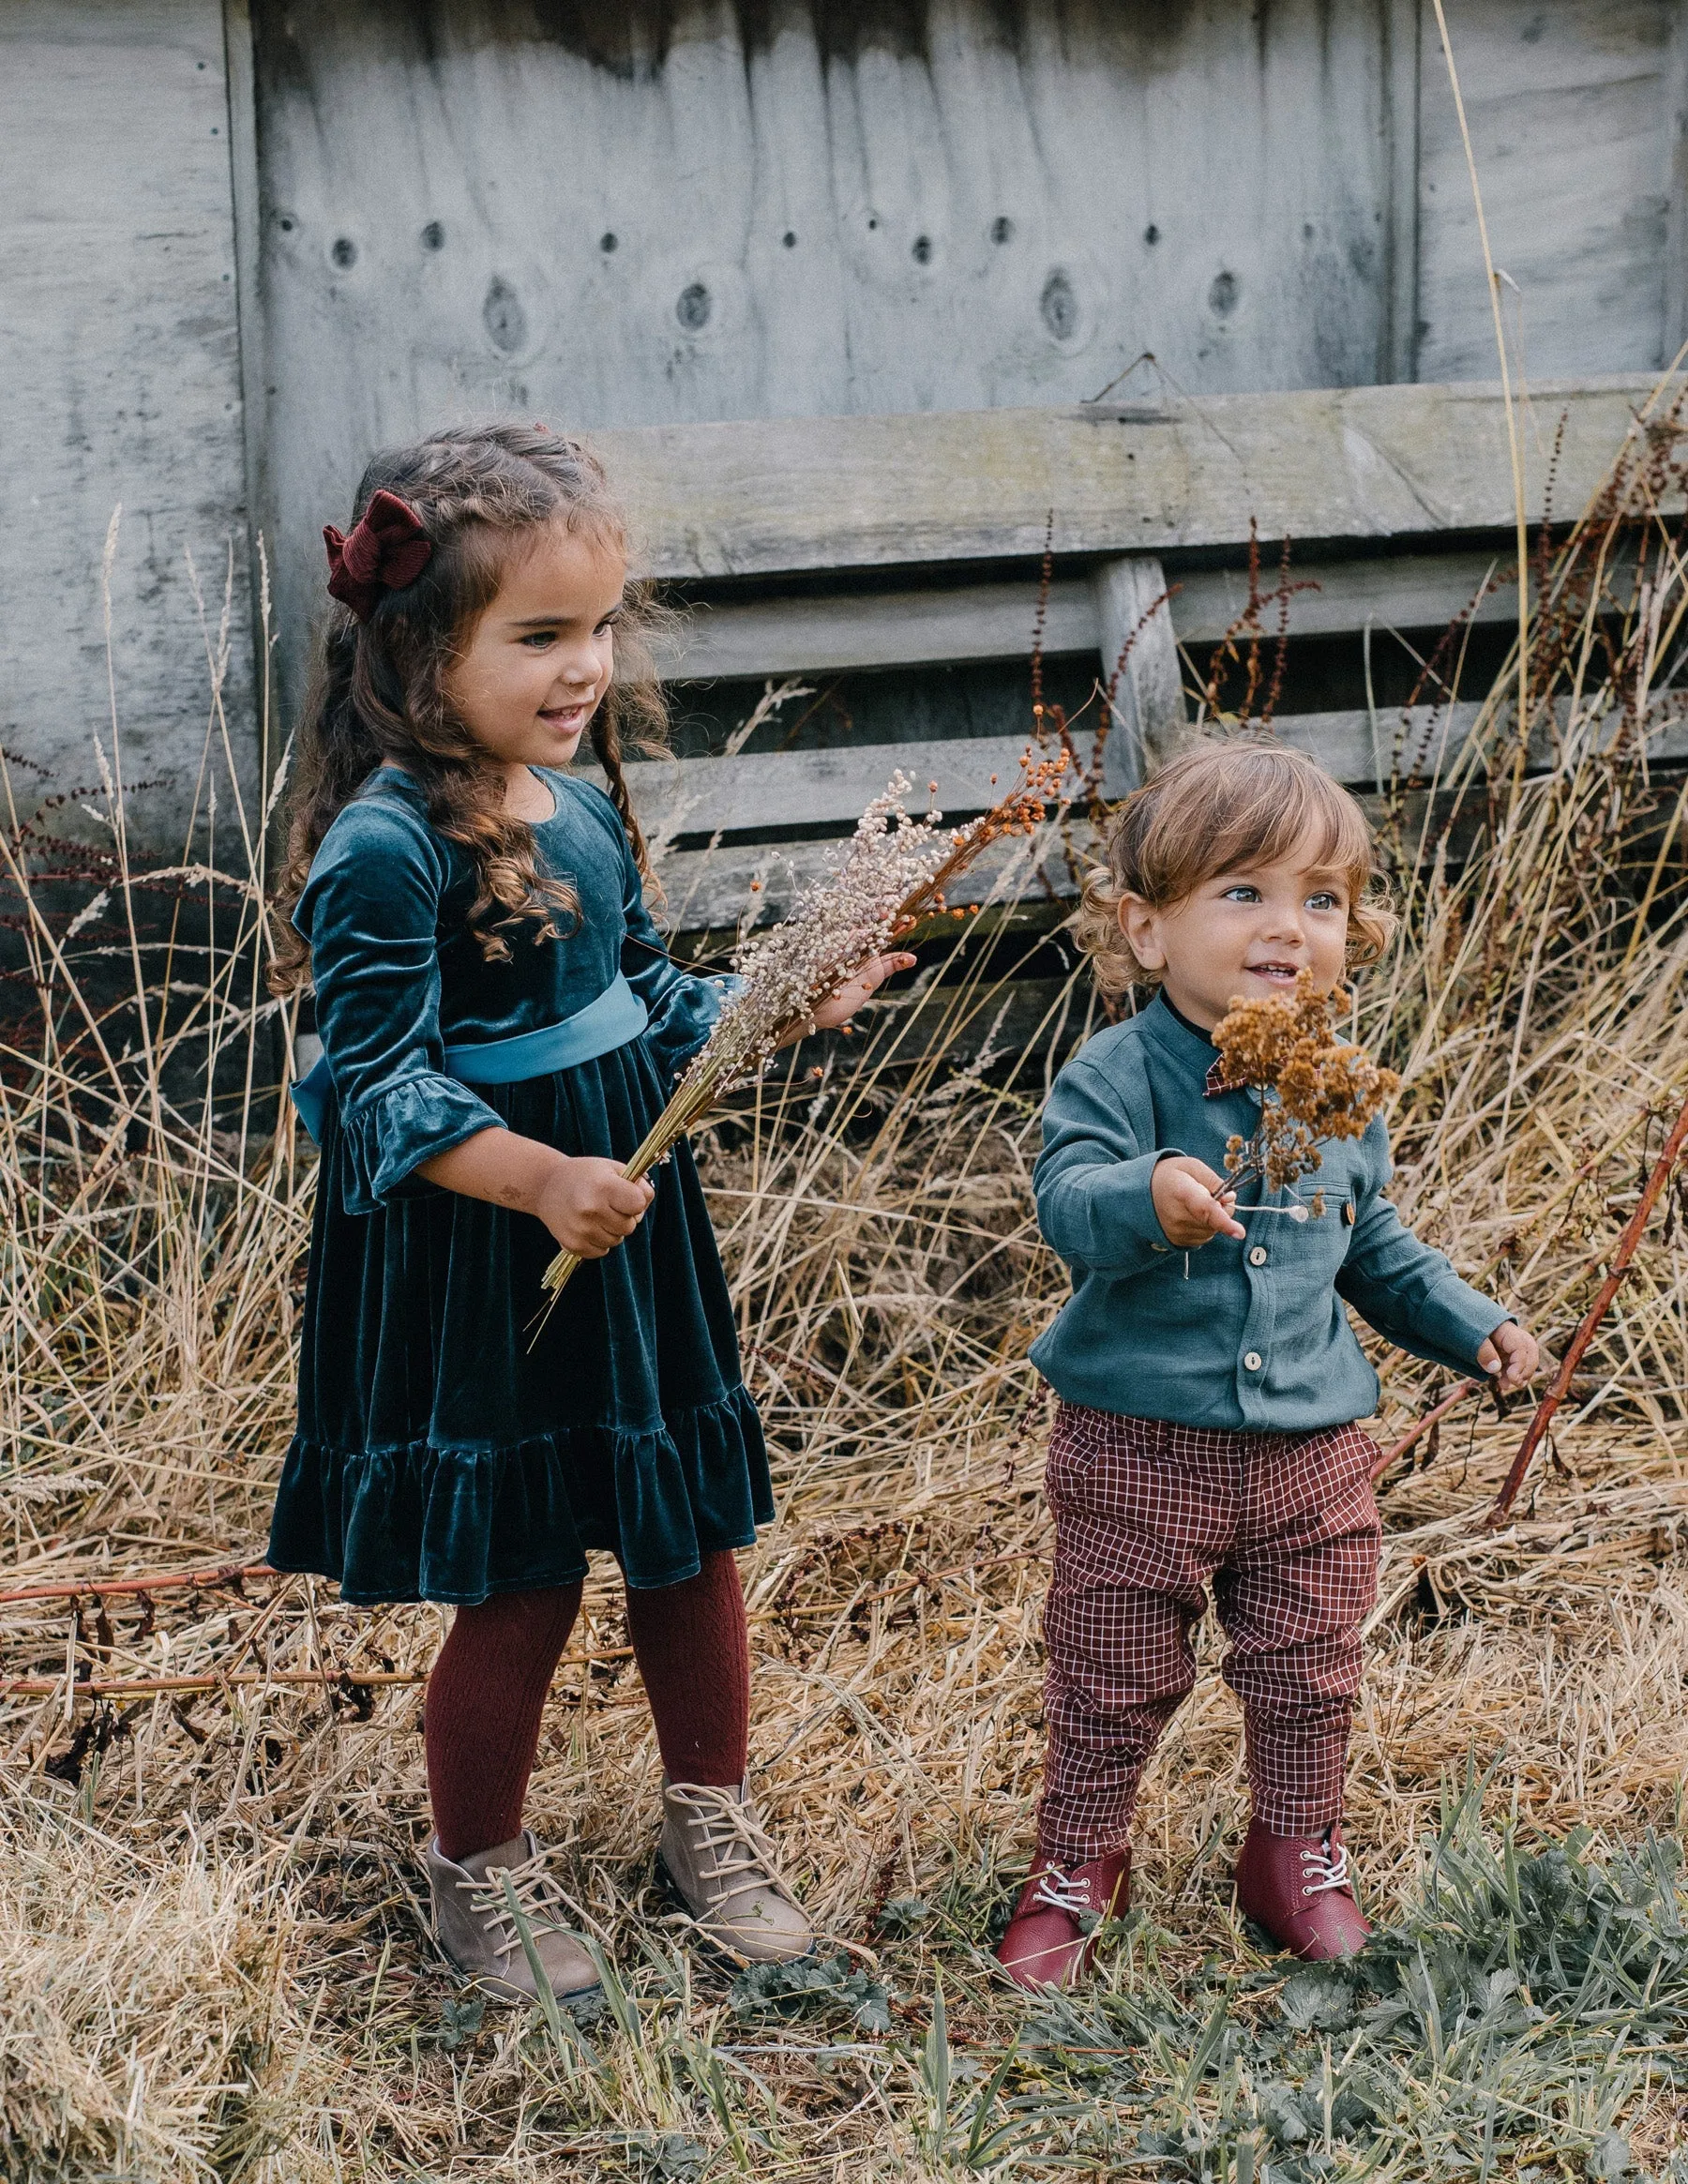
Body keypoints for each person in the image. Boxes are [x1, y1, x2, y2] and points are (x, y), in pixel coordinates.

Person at [265, 424, 911, 2005]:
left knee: (687, 1534)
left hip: (628, 1229)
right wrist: (539, 1177)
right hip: (493, 1252)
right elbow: (377, 1091)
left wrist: (772, 1011)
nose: (585, 669)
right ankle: (476, 1868)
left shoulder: (574, 806)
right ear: (419, 651)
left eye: (600, 628)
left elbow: (635, 998)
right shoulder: (386, 849)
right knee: (531, 1566)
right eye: (541, 636)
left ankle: (713, 1821)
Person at [997, 740, 1538, 1989]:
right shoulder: (1118, 1073)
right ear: (1147, 929)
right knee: (1113, 1670)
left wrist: (1473, 1321)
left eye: (1320, 899)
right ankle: (1078, 1863)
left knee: (1308, 1666)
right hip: (1139, 1450)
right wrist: (1150, 1195)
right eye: (1242, 894)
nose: (1286, 927)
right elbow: (1067, 1201)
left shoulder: (1338, 1094)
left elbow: (1376, 1249)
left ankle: (1293, 1852)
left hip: (1312, 1451)